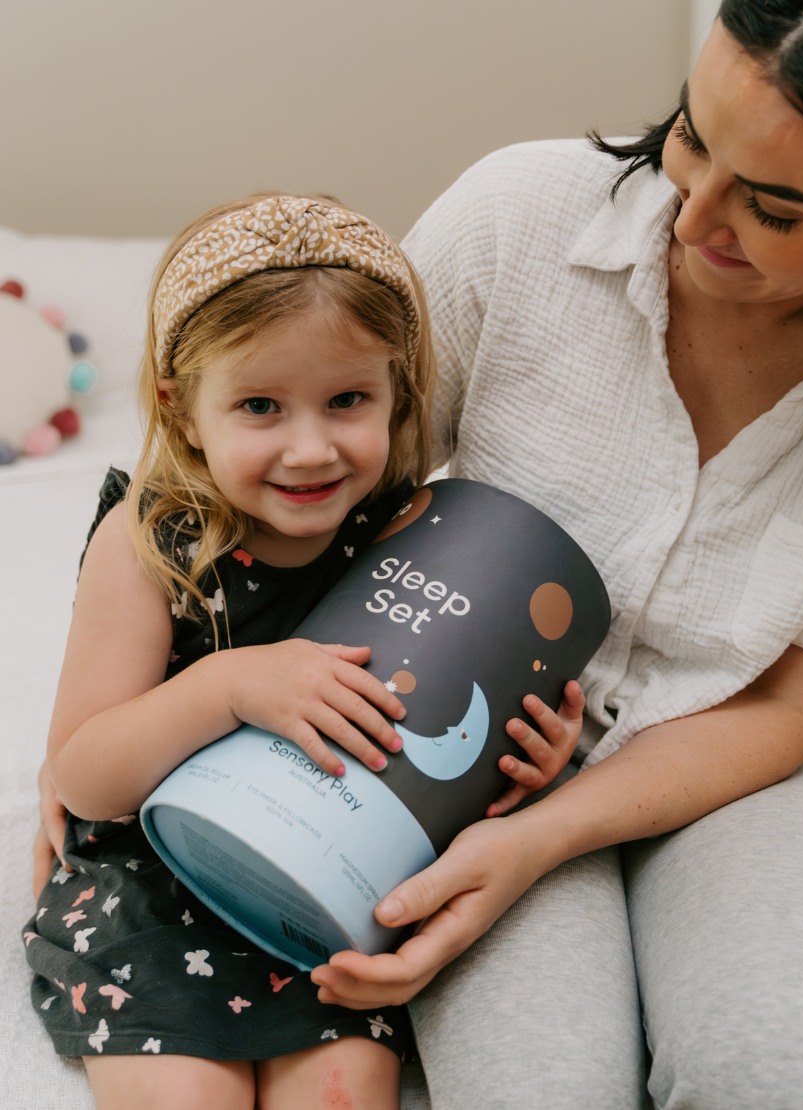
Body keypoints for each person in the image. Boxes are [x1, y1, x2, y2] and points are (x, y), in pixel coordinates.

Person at [305, 3, 803, 1107]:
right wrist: (115, 727)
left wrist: (551, 835)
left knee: (790, 1069)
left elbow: (792, 707)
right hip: (460, 753)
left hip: (735, 770)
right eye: (691, 136)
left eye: (776, 208)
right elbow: (283, 476)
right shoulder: (519, 215)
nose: (691, 214)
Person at [23, 195, 584, 1110]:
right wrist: (229, 685)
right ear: (183, 409)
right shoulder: (150, 541)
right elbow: (82, 776)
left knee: (341, 1094)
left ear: (399, 392)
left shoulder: (413, 534)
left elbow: (435, 728)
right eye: (259, 406)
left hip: (332, 875)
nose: (311, 448)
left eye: (348, 400)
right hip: (152, 886)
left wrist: (523, 763)